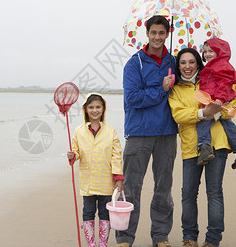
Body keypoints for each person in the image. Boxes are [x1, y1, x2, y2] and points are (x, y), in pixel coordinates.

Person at [168, 47, 236, 247]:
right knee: (188, 193)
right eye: (183, 63)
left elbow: (235, 102)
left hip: (217, 145)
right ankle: (189, 237)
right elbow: (178, 115)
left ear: (198, 63)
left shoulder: (213, 77)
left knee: (214, 192)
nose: (187, 66)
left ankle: (213, 239)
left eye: (191, 62)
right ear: (178, 66)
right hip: (191, 147)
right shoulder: (175, 90)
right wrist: (202, 114)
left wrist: (216, 114)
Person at [116, 15, 178, 247]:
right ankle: (124, 237)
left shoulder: (173, 61)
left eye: (162, 33)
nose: (158, 37)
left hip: (167, 133)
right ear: (147, 33)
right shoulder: (135, 63)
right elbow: (132, 98)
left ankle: (160, 236)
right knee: (131, 189)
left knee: (163, 188)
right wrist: (161, 89)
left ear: (167, 34)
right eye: (154, 33)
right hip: (138, 132)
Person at [67, 93, 124, 247]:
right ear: (85, 109)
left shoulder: (110, 131)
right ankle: (91, 244)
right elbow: (76, 152)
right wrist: (72, 155)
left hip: (106, 182)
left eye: (98, 107)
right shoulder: (79, 131)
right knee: (88, 212)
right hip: (88, 183)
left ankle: (103, 244)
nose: (94, 110)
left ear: (103, 109)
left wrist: (118, 177)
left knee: (105, 213)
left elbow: (116, 155)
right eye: (91, 107)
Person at [196, 38, 236, 169]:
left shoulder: (221, 65)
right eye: (205, 51)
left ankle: (204, 147)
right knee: (227, 124)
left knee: (203, 122)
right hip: (216, 98)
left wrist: (220, 99)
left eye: (211, 51)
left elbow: (224, 83)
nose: (207, 54)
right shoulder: (214, 65)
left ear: (220, 52)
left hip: (218, 99)